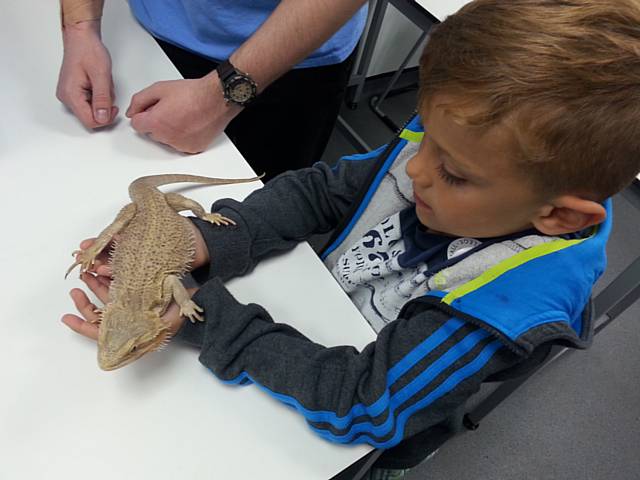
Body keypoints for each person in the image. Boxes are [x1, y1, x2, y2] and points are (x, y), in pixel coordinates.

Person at [61, 0, 640, 478]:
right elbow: (320, 192)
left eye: (454, 173)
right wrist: (204, 242)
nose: (415, 169)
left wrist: (202, 316)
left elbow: (364, 403)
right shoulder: (453, 150)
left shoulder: (504, 308)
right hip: (303, 323)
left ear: (560, 217)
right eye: (424, 137)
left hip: (354, 432)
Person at [56, 0, 368, 180]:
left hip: (288, 60)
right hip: (146, 34)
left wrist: (224, 94)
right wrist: (79, 27)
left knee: (247, 226)